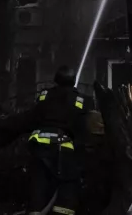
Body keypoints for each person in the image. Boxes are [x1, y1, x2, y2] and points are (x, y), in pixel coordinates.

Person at [26, 66, 93, 215]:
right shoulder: (82, 101)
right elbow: (84, 129)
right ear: (74, 80)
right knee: (68, 190)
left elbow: (30, 119)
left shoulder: (44, 96)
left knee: (38, 190)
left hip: (38, 150)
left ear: (56, 79)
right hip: (64, 152)